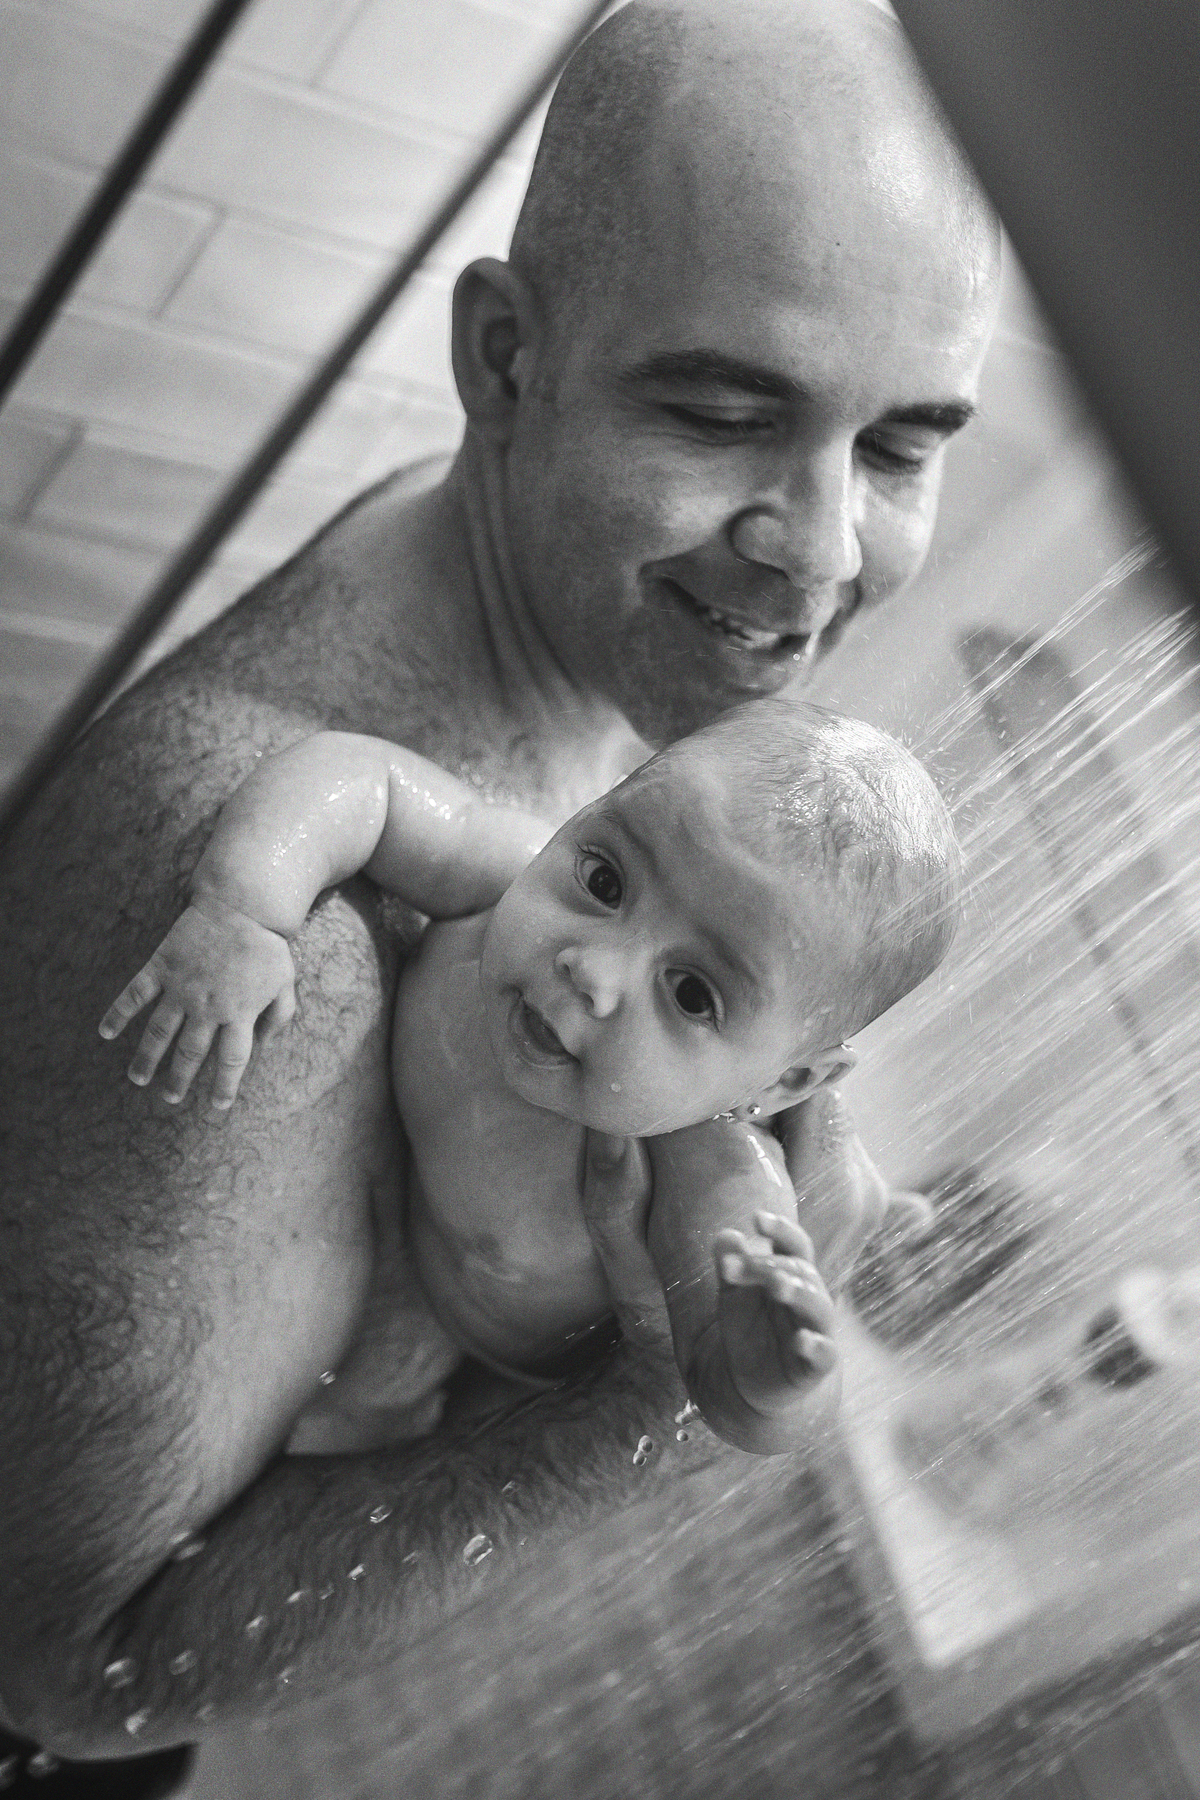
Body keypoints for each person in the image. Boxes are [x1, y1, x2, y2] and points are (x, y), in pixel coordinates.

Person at [0, 0, 1000, 1772]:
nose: (828, 551)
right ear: (505, 362)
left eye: (903, 447)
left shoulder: (570, 633)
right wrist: (645, 1407)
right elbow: (69, 1679)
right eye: (725, 412)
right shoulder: (264, 949)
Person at [99, 698, 960, 1457]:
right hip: (388, 1200)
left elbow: (726, 1393)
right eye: (606, 879)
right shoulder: (501, 872)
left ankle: (867, 1209)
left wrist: (772, 1377)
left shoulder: (714, 1173)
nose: (592, 969)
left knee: (325, 1414)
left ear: (783, 1083)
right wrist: (246, 907)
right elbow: (361, 781)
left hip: (450, 1327)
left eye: (692, 994)